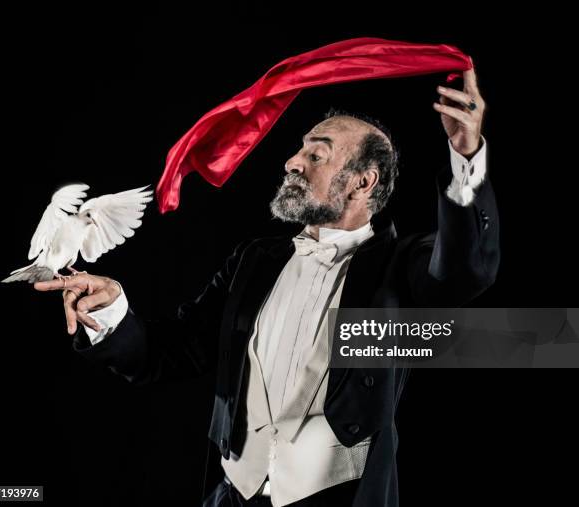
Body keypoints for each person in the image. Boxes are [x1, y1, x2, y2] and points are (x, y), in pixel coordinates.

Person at [35, 68, 500, 507]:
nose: (292, 162)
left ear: (363, 182)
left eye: (316, 155)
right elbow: (171, 350)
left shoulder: (399, 267)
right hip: (233, 493)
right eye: (299, 150)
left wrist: (466, 157)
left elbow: (464, 269)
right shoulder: (253, 261)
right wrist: (114, 311)